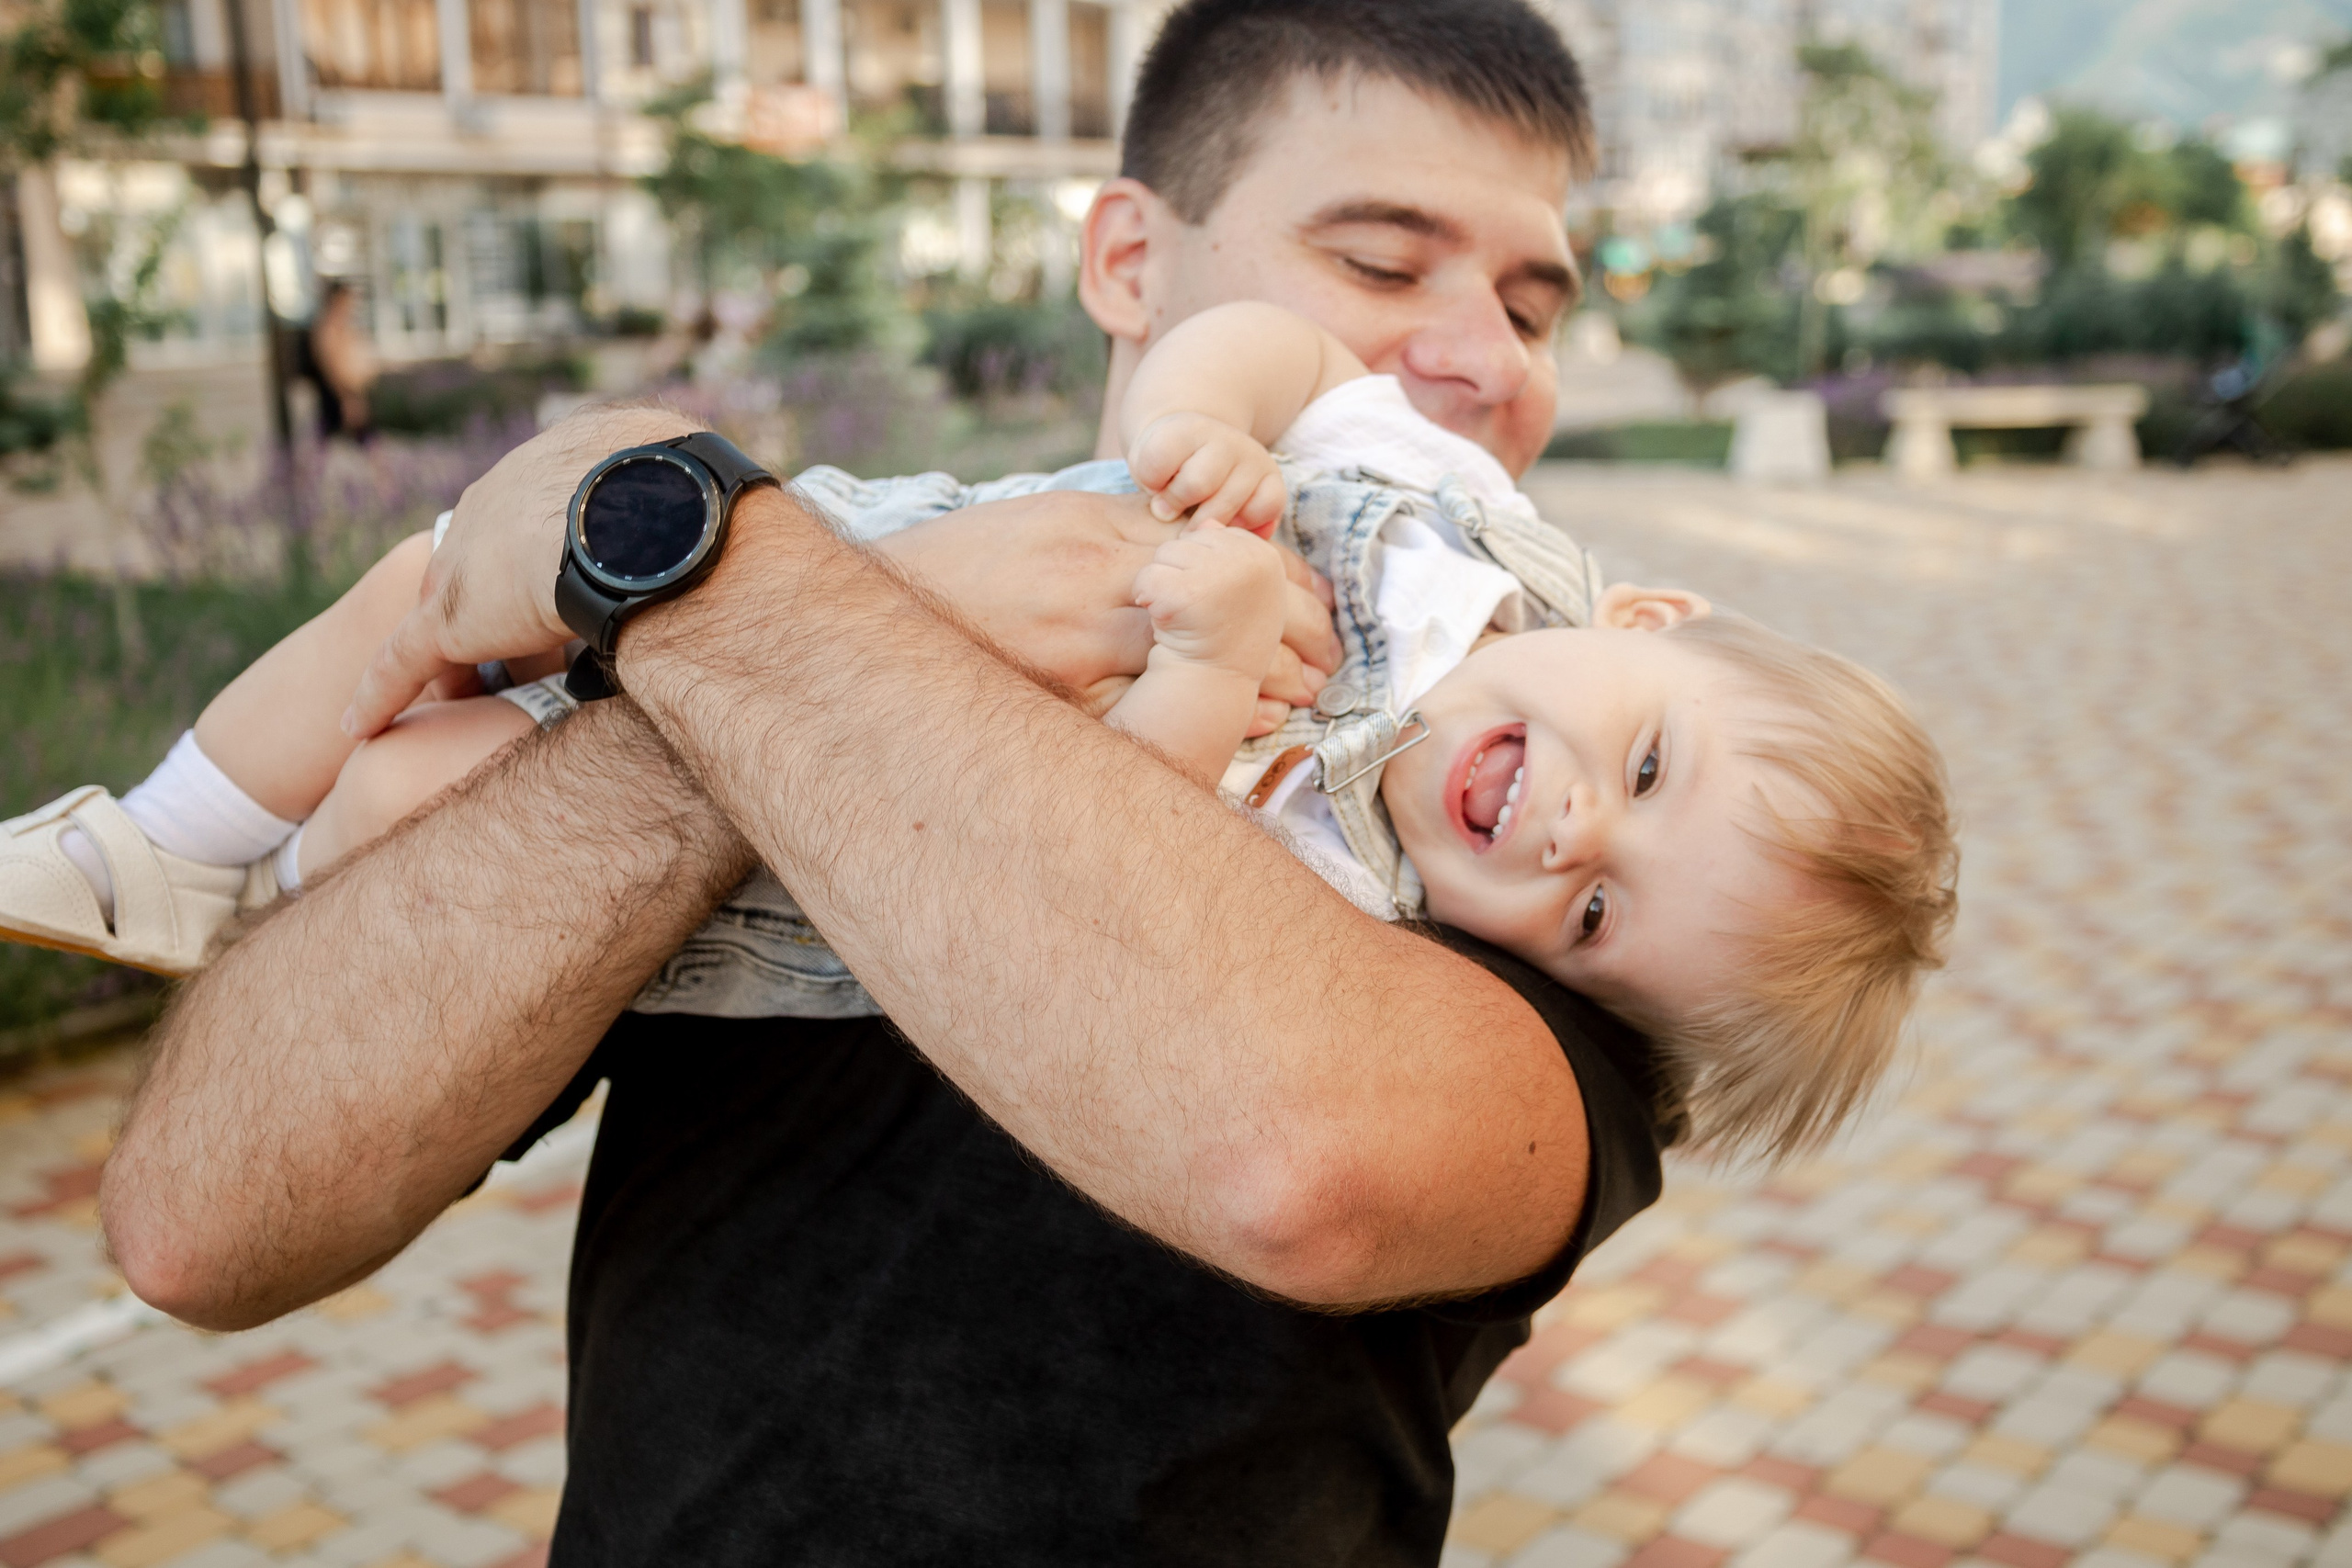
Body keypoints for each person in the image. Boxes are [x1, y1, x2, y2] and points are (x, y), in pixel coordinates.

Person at [94, 2, 1928, 1560]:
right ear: (1129, 262)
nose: (1478, 355)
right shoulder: (849, 604)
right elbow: (205, 1213)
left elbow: (1300, 1162)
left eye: (1535, 303)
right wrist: (827, 648)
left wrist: (703, 576)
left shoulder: (1564, 912)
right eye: (1379, 263)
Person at [6, 300, 1953, 1161]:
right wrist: (1195, 419)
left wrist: (1197, 676)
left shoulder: (1360, 896)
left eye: (1599, 918)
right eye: (1642, 767)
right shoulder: (1450, 520)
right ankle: (164, 839)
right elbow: (1288, 352)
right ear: (1646, 621)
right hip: (833, 560)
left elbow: (1079, 845)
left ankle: (271, 876)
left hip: (774, 851)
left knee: (405, 804)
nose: (1560, 840)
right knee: (416, 580)